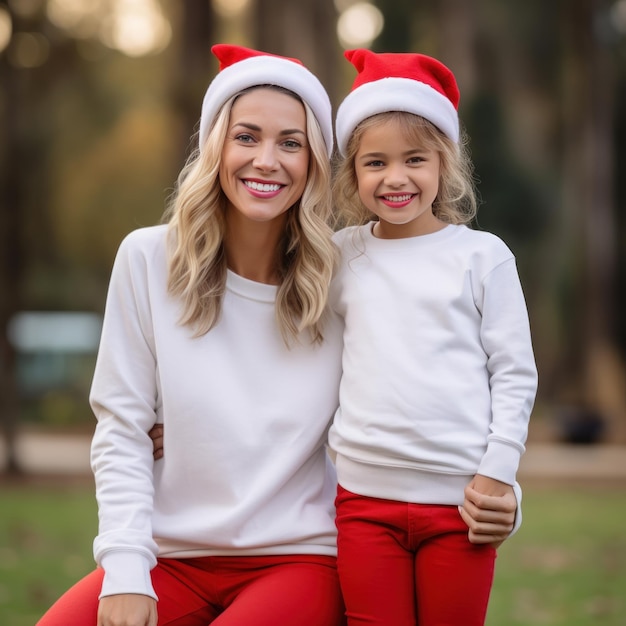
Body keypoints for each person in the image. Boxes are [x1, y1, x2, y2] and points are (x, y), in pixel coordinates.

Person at [37, 44, 346, 626]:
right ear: (215, 147)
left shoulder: (343, 280)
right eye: (246, 137)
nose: (266, 160)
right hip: (170, 555)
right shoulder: (147, 259)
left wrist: (499, 486)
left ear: (314, 162)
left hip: (299, 557)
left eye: (291, 142)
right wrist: (127, 570)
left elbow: (418, 386)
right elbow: (123, 428)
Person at [328, 48, 538, 626]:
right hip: (364, 503)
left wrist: (498, 472)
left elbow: (514, 371)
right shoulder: (342, 256)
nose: (395, 178)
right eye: (375, 162)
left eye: (414, 159)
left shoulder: (481, 256)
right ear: (353, 173)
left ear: (443, 163)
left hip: (461, 504)